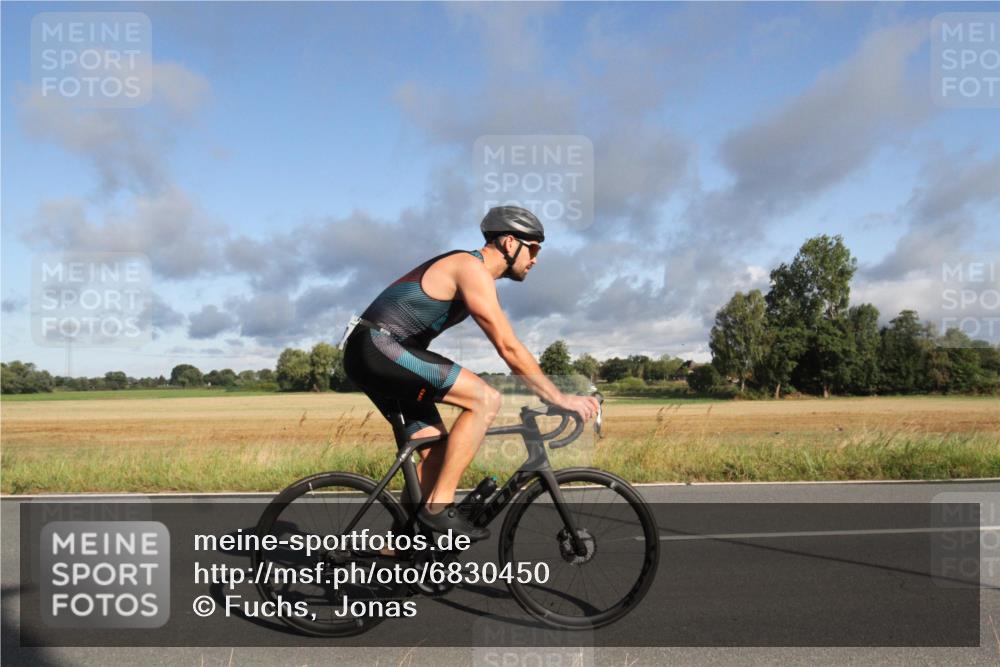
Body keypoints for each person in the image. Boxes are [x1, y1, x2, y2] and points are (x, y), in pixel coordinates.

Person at [342, 206, 599, 540]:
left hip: (377, 351)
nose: (536, 258)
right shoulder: (470, 268)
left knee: (435, 454)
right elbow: (508, 347)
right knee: (484, 399)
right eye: (533, 248)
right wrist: (559, 397)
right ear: (509, 242)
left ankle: (401, 547)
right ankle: (438, 508)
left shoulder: (474, 274)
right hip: (379, 347)